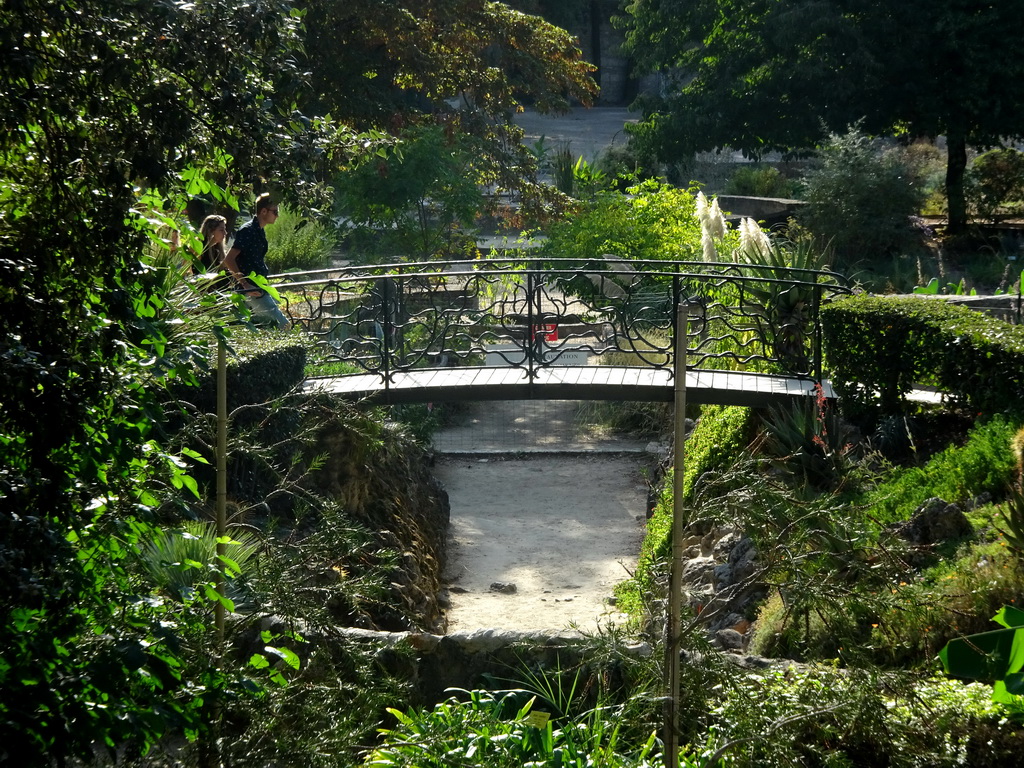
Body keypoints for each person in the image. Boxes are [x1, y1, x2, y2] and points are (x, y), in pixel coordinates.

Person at [222, 193, 288, 329]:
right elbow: (229, 259)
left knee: (257, 327)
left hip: (257, 287)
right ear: (263, 211)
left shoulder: (258, 230)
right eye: (275, 212)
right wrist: (245, 284)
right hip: (251, 289)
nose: (277, 215)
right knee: (283, 325)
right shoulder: (248, 231)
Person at [194, 214, 229, 290]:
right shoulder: (198, 248)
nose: (225, 233)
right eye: (221, 230)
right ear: (211, 231)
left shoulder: (218, 250)